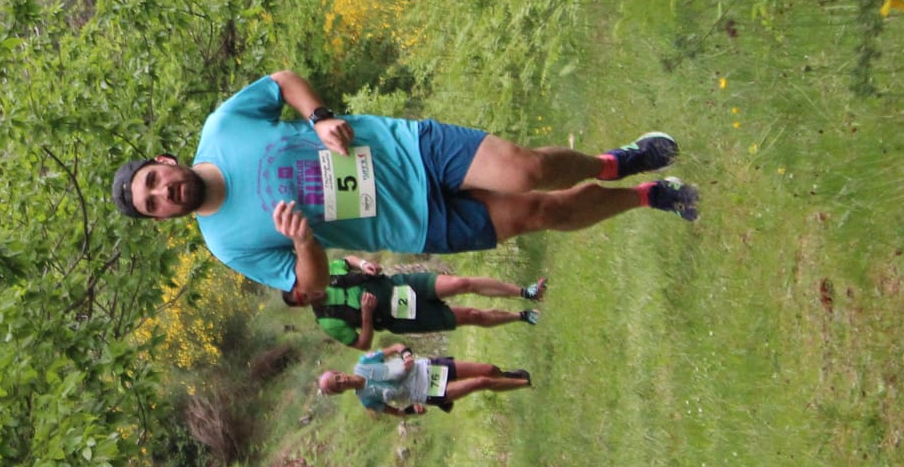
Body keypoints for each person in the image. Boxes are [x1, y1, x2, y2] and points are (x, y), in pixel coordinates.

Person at [112, 68, 697, 301]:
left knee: (527, 172)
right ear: (162, 220)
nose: (164, 193)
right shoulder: (227, 243)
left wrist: (318, 117)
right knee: (537, 212)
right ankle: (648, 196)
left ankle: (614, 163)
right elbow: (307, 290)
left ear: (165, 160)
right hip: (410, 221)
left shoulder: (223, 126)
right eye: (154, 203)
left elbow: (283, 81)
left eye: (155, 180)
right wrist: (305, 245)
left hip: (405, 149)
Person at [291, 256, 544, 349]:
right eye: (300, 300)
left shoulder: (328, 273)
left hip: (400, 285)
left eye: (300, 289)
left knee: (460, 283)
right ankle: (521, 316)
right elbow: (362, 344)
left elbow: (347, 260)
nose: (305, 295)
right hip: (402, 318)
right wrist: (367, 315)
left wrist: (364, 264)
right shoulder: (328, 320)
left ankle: (527, 292)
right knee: (471, 315)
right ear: (301, 305)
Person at [318, 345, 529, 417]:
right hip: (426, 392)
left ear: (339, 372)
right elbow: (398, 413)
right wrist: (413, 410)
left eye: (338, 377)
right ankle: (526, 383)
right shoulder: (367, 400)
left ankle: (510, 377)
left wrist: (406, 355)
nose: (342, 381)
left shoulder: (364, 362)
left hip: (427, 368)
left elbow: (396, 347)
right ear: (340, 392)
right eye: (338, 385)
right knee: (480, 382)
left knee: (489, 370)